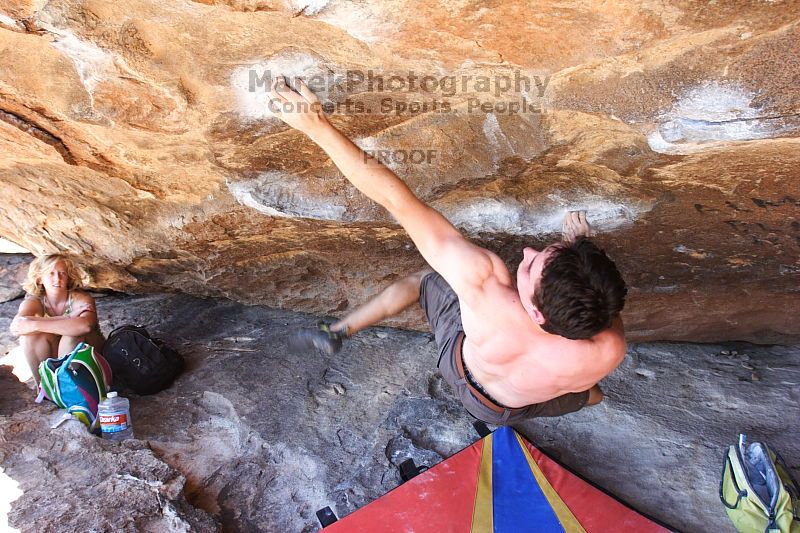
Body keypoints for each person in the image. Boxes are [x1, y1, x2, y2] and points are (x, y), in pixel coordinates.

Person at [273, 77, 628, 425]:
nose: (527, 251)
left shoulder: (483, 286)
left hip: (458, 367)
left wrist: (317, 127)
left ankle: (336, 332)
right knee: (589, 394)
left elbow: (396, 201)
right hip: (507, 410)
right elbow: (599, 305)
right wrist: (576, 250)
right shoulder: (609, 349)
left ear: (536, 312)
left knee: (424, 278)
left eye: (530, 266)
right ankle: (590, 399)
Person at [9, 254, 104, 387]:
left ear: (68, 277)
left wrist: (34, 324)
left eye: (62, 273)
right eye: (51, 273)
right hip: (58, 356)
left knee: (71, 335)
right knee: (28, 337)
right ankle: (45, 387)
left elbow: (85, 326)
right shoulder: (35, 301)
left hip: (88, 360)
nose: (57, 278)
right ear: (40, 278)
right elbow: (17, 327)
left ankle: (71, 388)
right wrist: (68, 319)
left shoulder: (81, 299)